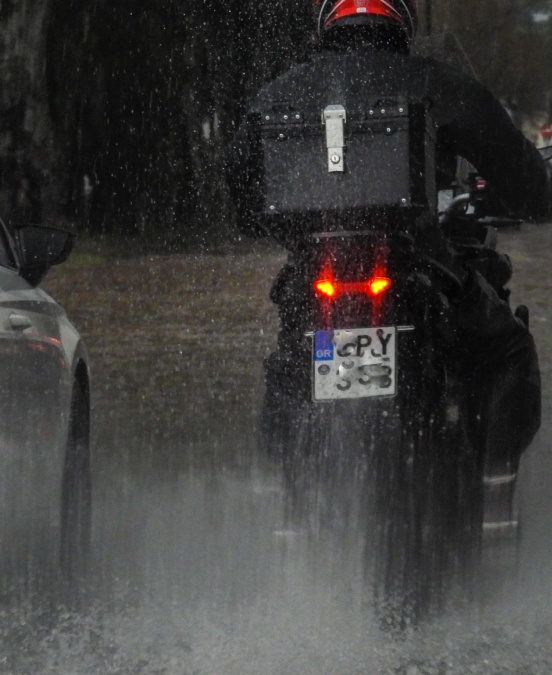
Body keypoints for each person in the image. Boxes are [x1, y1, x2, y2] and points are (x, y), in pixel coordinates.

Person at [231, 0, 550, 527]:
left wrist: (296, 231)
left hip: (315, 284)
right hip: (422, 262)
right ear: (401, 17)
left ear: (326, 17)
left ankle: (286, 499)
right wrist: (530, 196)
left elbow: (245, 203)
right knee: (507, 350)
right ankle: (495, 491)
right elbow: (525, 181)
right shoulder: (437, 82)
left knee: (288, 368)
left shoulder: (280, 94)